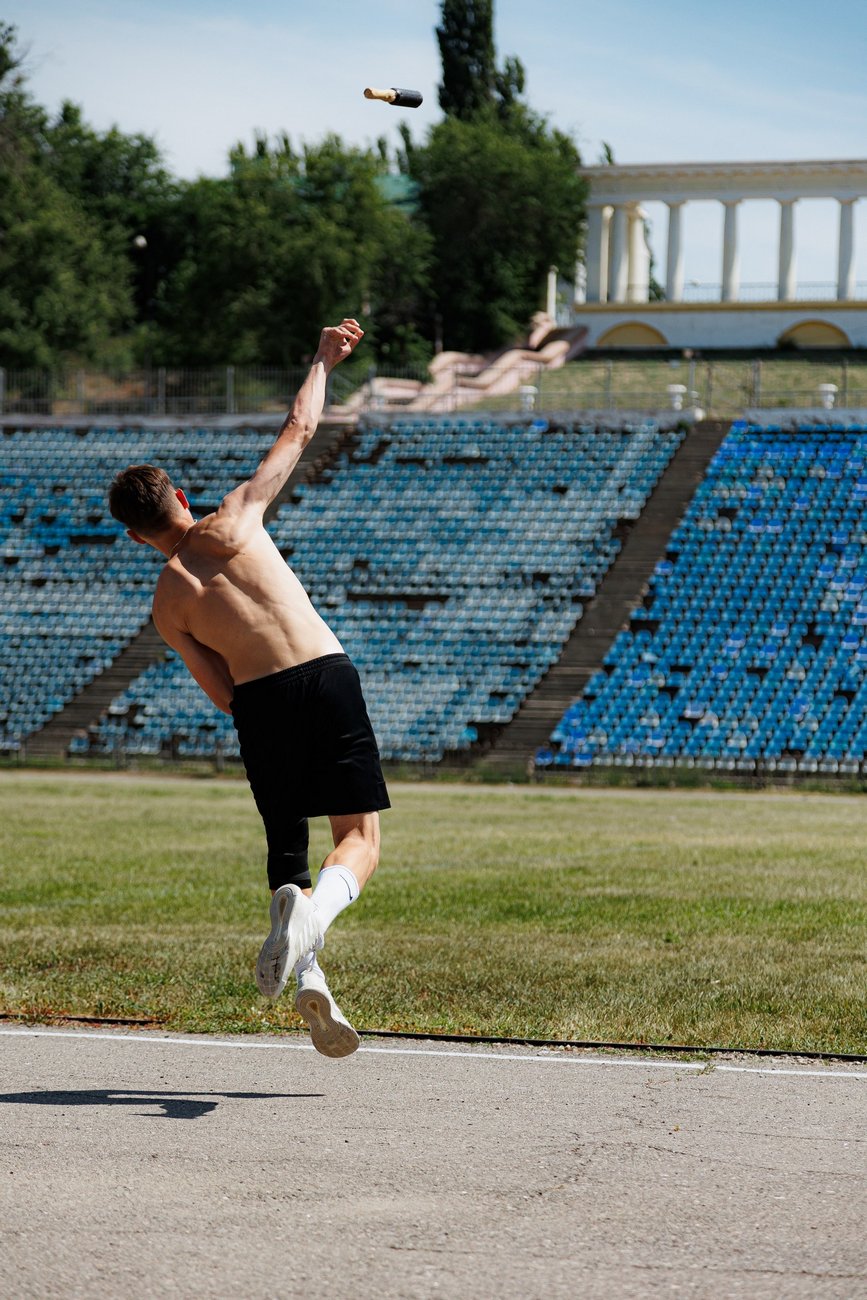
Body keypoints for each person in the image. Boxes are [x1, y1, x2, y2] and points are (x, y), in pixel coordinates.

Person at [108, 319, 389, 1059]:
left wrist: (264, 716)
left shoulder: (168, 607)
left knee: (286, 856)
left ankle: (312, 973)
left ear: (139, 536)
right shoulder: (235, 516)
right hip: (323, 673)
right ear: (180, 495)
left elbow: (221, 693)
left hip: (258, 702)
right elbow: (299, 426)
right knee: (357, 839)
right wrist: (325, 358)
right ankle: (314, 925)